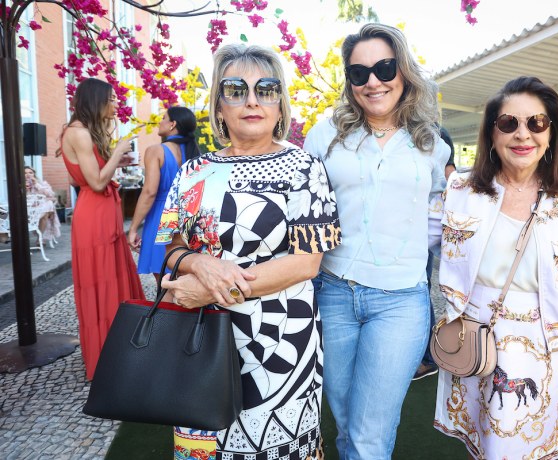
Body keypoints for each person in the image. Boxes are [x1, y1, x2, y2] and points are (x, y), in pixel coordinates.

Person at [156, 44, 341, 459]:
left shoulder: (304, 168)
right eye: (236, 89)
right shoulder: (194, 172)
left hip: (279, 343)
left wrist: (213, 290)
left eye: (266, 89)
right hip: (200, 338)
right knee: (205, 443)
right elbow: (173, 247)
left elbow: (306, 263)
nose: (252, 100)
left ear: (280, 104)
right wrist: (197, 261)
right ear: (219, 106)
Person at [430, 76, 558, 460]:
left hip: (541, 348)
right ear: (492, 132)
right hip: (474, 337)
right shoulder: (461, 190)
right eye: (508, 123)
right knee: (481, 444)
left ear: (552, 132)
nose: (523, 134)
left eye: (536, 123)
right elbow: (410, 244)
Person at [303, 23, 450, 459]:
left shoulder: (432, 144)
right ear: (349, 80)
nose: (373, 81)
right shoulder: (323, 135)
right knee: (346, 422)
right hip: (332, 294)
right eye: (359, 72)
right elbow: (302, 210)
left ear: (403, 71)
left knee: (370, 432)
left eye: (385, 67)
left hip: (401, 301)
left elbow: (443, 223)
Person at [58, 77, 145, 381]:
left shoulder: (84, 132)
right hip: (93, 216)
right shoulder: (79, 133)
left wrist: (117, 162)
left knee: (114, 280)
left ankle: (122, 352)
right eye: (111, 99)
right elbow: (95, 182)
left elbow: (89, 176)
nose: (115, 104)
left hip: (101, 212)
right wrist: (119, 149)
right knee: (102, 283)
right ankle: (108, 360)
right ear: (96, 100)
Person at [127, 106, 200, 280]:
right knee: (184, 279)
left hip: (161, 217)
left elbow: (150, 192)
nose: (160, 122)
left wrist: (133, 228)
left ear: (172, 124)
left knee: (164, 281)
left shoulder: (156, 151)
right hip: (188, 217)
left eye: (163, 118)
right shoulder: (195, 154)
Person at [415, 125, 455, 381]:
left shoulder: (436, 133)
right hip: (419, 235)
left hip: (422, 237)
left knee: (421, 290)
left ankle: (428, 359)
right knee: (421, 289)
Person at [24, 166, 61, 243]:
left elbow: (50, 194)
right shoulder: (19, 184)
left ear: (34, 174)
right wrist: (25, 190)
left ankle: (39, 238)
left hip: (43, 208)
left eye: (30, 172)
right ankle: (40, 238)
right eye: (25, 173)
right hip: (29, 210)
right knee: (44, 215)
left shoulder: (42, 183)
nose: (28, 175)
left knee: (48, 204)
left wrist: (37, 184)